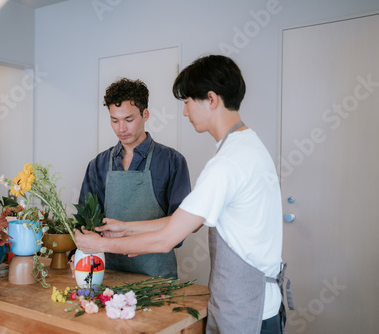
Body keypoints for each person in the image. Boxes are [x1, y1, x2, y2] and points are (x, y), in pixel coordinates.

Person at [75, 55, 292, 334]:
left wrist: (100, 245)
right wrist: (124, 227)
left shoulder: (227, 163)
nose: (186, 112)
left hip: (247, 310)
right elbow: (181, 219)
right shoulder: (247, 147)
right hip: (255, 304)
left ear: (211, 99)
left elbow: (169, 238)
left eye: (188, 102)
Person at [75, 78, 191, 279]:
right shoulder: (98, 165)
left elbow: (181, 227)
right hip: (108, 274)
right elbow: (86, 223)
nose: (121, 128)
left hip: (156, 277)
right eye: (114, 120)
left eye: (129, 120)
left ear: (145, 114)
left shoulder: (172, 161)